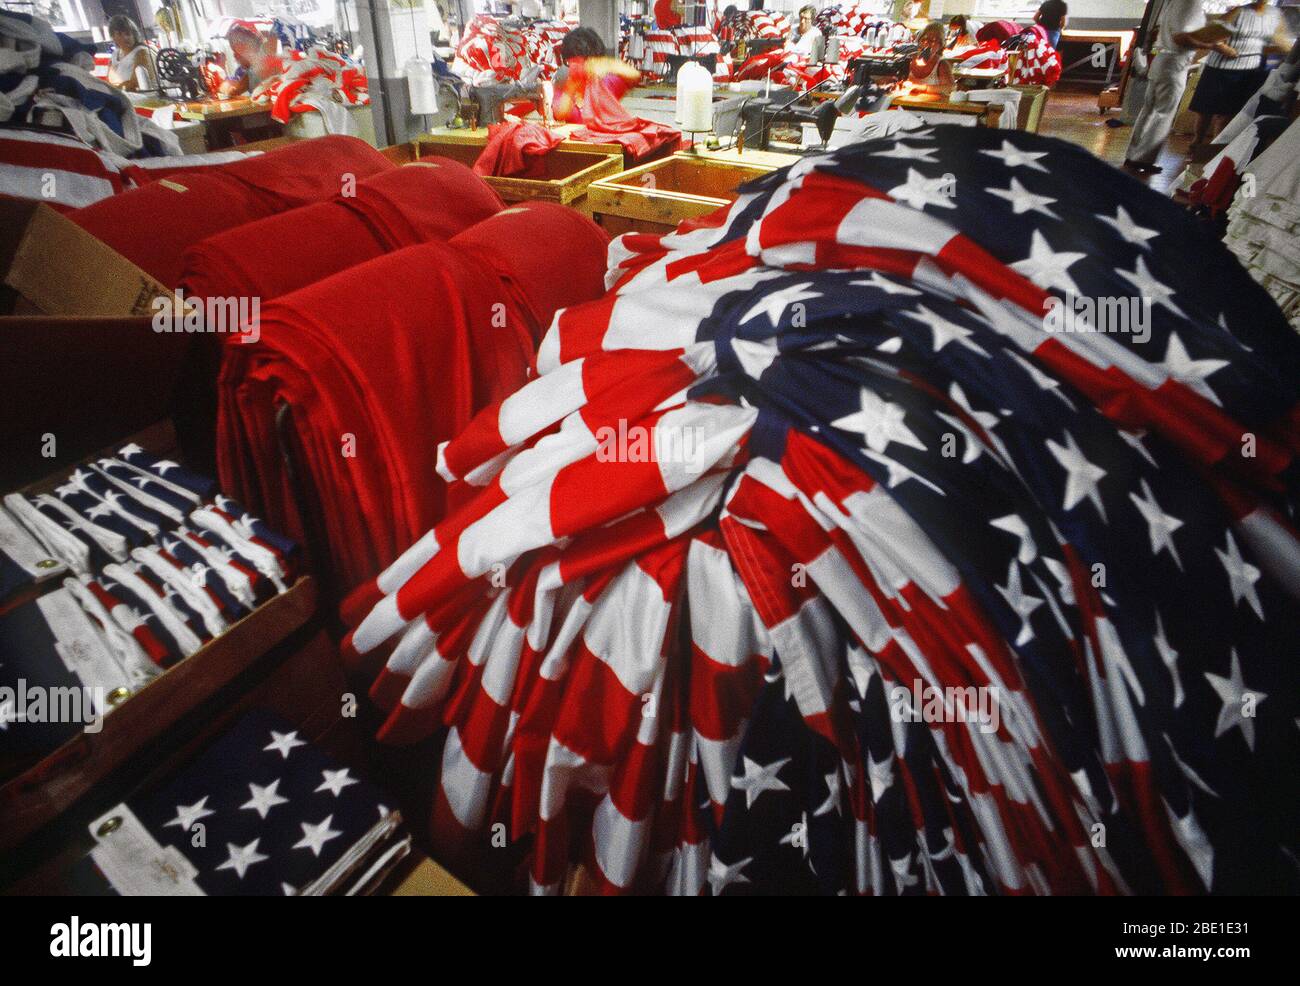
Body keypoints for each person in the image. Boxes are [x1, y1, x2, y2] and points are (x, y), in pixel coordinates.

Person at [1123, 0, 1228, 173]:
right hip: (1175, 62)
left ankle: (1133, 155)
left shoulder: (1175, 2)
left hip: (1163, 60)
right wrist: (1214, 46)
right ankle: (1144, 158)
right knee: (1163, 113)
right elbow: (1180, 37)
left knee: (1149, 110)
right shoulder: (1190, 3)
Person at [1190, 1, 1292, 146]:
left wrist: (1287, 49)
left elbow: (1280, 39)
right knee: (1205, 109)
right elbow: (1210, 35)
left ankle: (1216, 147)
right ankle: (1197, 142)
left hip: (1249, 70)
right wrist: (1222, 47)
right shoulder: (1238, 12)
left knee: (1227, 114)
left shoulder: (1274, 14)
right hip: (1220, 67)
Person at [218, 23, 280, 98]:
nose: (235, 56)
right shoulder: (246, 71)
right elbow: (232, 89)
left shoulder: (263, 65)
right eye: (234, 51)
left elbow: (235, 91)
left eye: (236, 51)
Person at [106, 14, 157, 92]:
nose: (125, 38)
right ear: (113, 37)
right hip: (123, 95)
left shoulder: (142, 52)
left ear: (134, 34)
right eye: (119, 34)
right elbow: (110, 81)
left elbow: (136, 83)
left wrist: (115, 88)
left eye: (128, 33)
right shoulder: (115, 54)